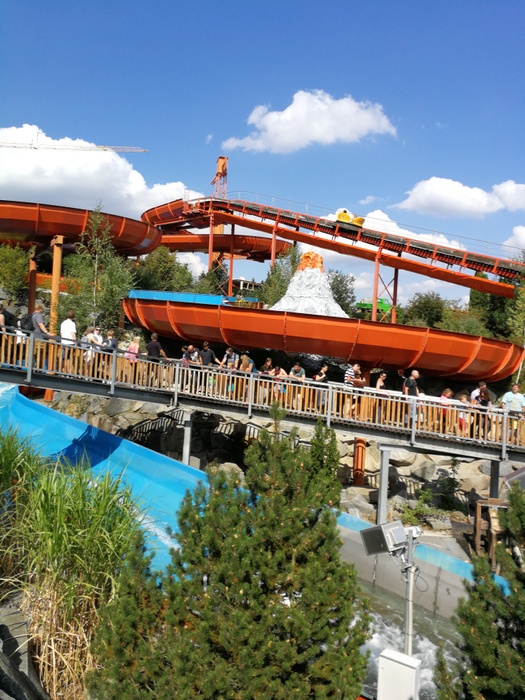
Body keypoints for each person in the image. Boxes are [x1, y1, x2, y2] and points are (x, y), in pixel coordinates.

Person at [60, 310, 77, 374]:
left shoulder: (63, 323)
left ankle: (62, 370)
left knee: (63, 357)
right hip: (70, 342)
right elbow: (73, 333)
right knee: (69, 358)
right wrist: (75, 342)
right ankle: (68, 372)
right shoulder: (72, 324)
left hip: (63, 342)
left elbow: (61, 333)